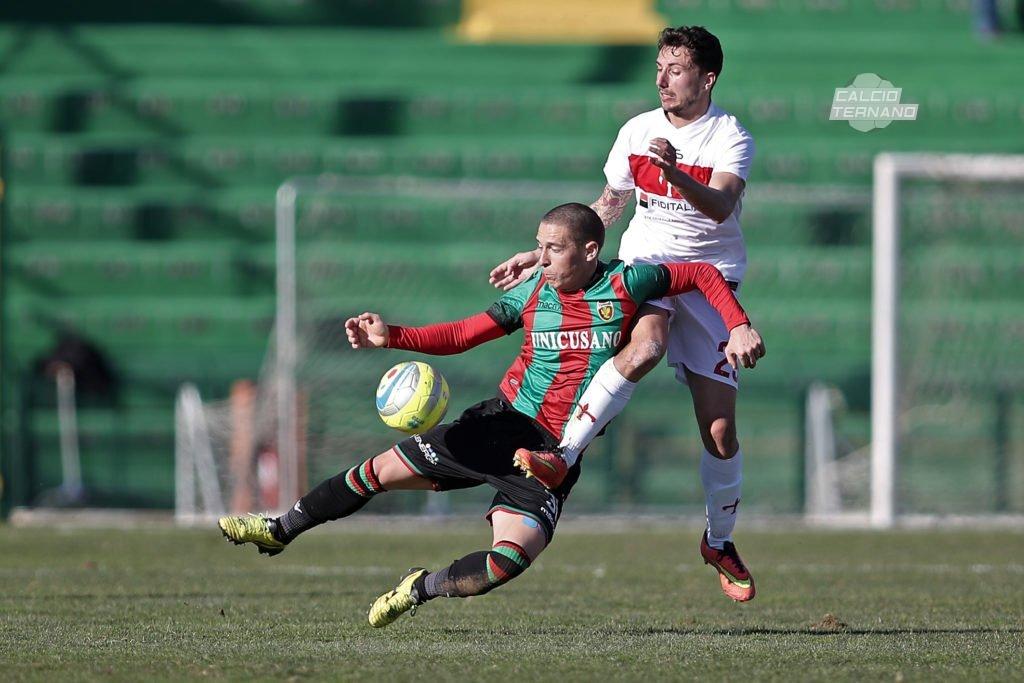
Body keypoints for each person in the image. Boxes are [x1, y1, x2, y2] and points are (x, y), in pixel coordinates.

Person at [219, 202, 763, 627]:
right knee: (378, 473)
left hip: (553, 449)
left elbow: (701, 274)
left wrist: (736, 323)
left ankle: (419, 587)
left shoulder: (627, 283)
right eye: (538, 247)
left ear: (591, 251)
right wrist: (393, 337)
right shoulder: (532, 294)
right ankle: (280, 527)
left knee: (507, 563)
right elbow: (461, 335)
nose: (540, 259)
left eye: (553, 249)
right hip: (500, 424)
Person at [489, 26, 764, 602]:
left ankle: (719, 540)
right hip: (644, 265)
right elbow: (609, 205)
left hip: (710, 282)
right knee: (645, 344)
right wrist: (542, 255)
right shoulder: (638, 130)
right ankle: (561, 456)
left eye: (676, 69)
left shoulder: (730, 135)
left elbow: (719, 208)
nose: (662, 78)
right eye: (659, 66)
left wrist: (677, 172)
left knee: (719, 431)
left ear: (707, 78)